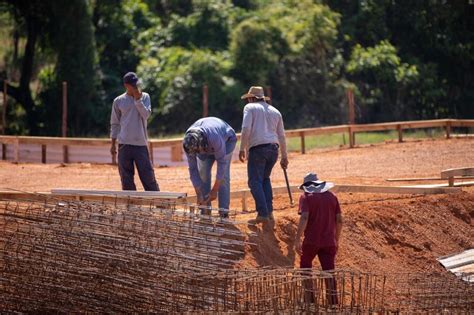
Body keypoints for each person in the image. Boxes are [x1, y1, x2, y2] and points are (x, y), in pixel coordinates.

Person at [239, 86, 288, 223]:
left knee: (254, 181)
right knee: (265, 179)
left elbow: (246, 128)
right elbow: (282, 136)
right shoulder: (275, 111)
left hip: (258, 149)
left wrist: (242, 148)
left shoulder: (250, 108)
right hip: (273, 149)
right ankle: (269, 212)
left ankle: (262, 213)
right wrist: (284, 156)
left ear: (251, 98)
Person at [294, 172, 343, 306]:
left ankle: (310, 300)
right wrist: (336, 239)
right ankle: (333, 302)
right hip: (329, 242)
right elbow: (339, 220)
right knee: (329, 272)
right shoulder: (332, 197)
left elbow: (304, 217)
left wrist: (297, 238)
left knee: (305, 267)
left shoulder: (306, 197)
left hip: (311, 241)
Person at [110, 72, 159, 191]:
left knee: (148, 175)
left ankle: (158, 202)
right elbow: (115, 123)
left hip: (140, 144)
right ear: (126, 86)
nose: (136, 87)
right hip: (124, 144)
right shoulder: (118, 101)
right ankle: (130, 205)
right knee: (126, 178)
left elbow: (146, 115)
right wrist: (112, 144)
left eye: (137, 84)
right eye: (133, 85)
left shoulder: (145, 97)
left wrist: (138, 100)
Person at [183, 117, 237, 215]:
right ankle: (205, 212)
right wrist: (198, 193)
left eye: (200, 151)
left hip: (227, 141)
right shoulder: (188, 144)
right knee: (203, 175)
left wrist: (214, 190)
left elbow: (222, 163)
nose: (200, 153)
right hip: (206, 144)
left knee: (223, 177)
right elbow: (193, 169)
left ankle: (223, 213)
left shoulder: (214, 137)